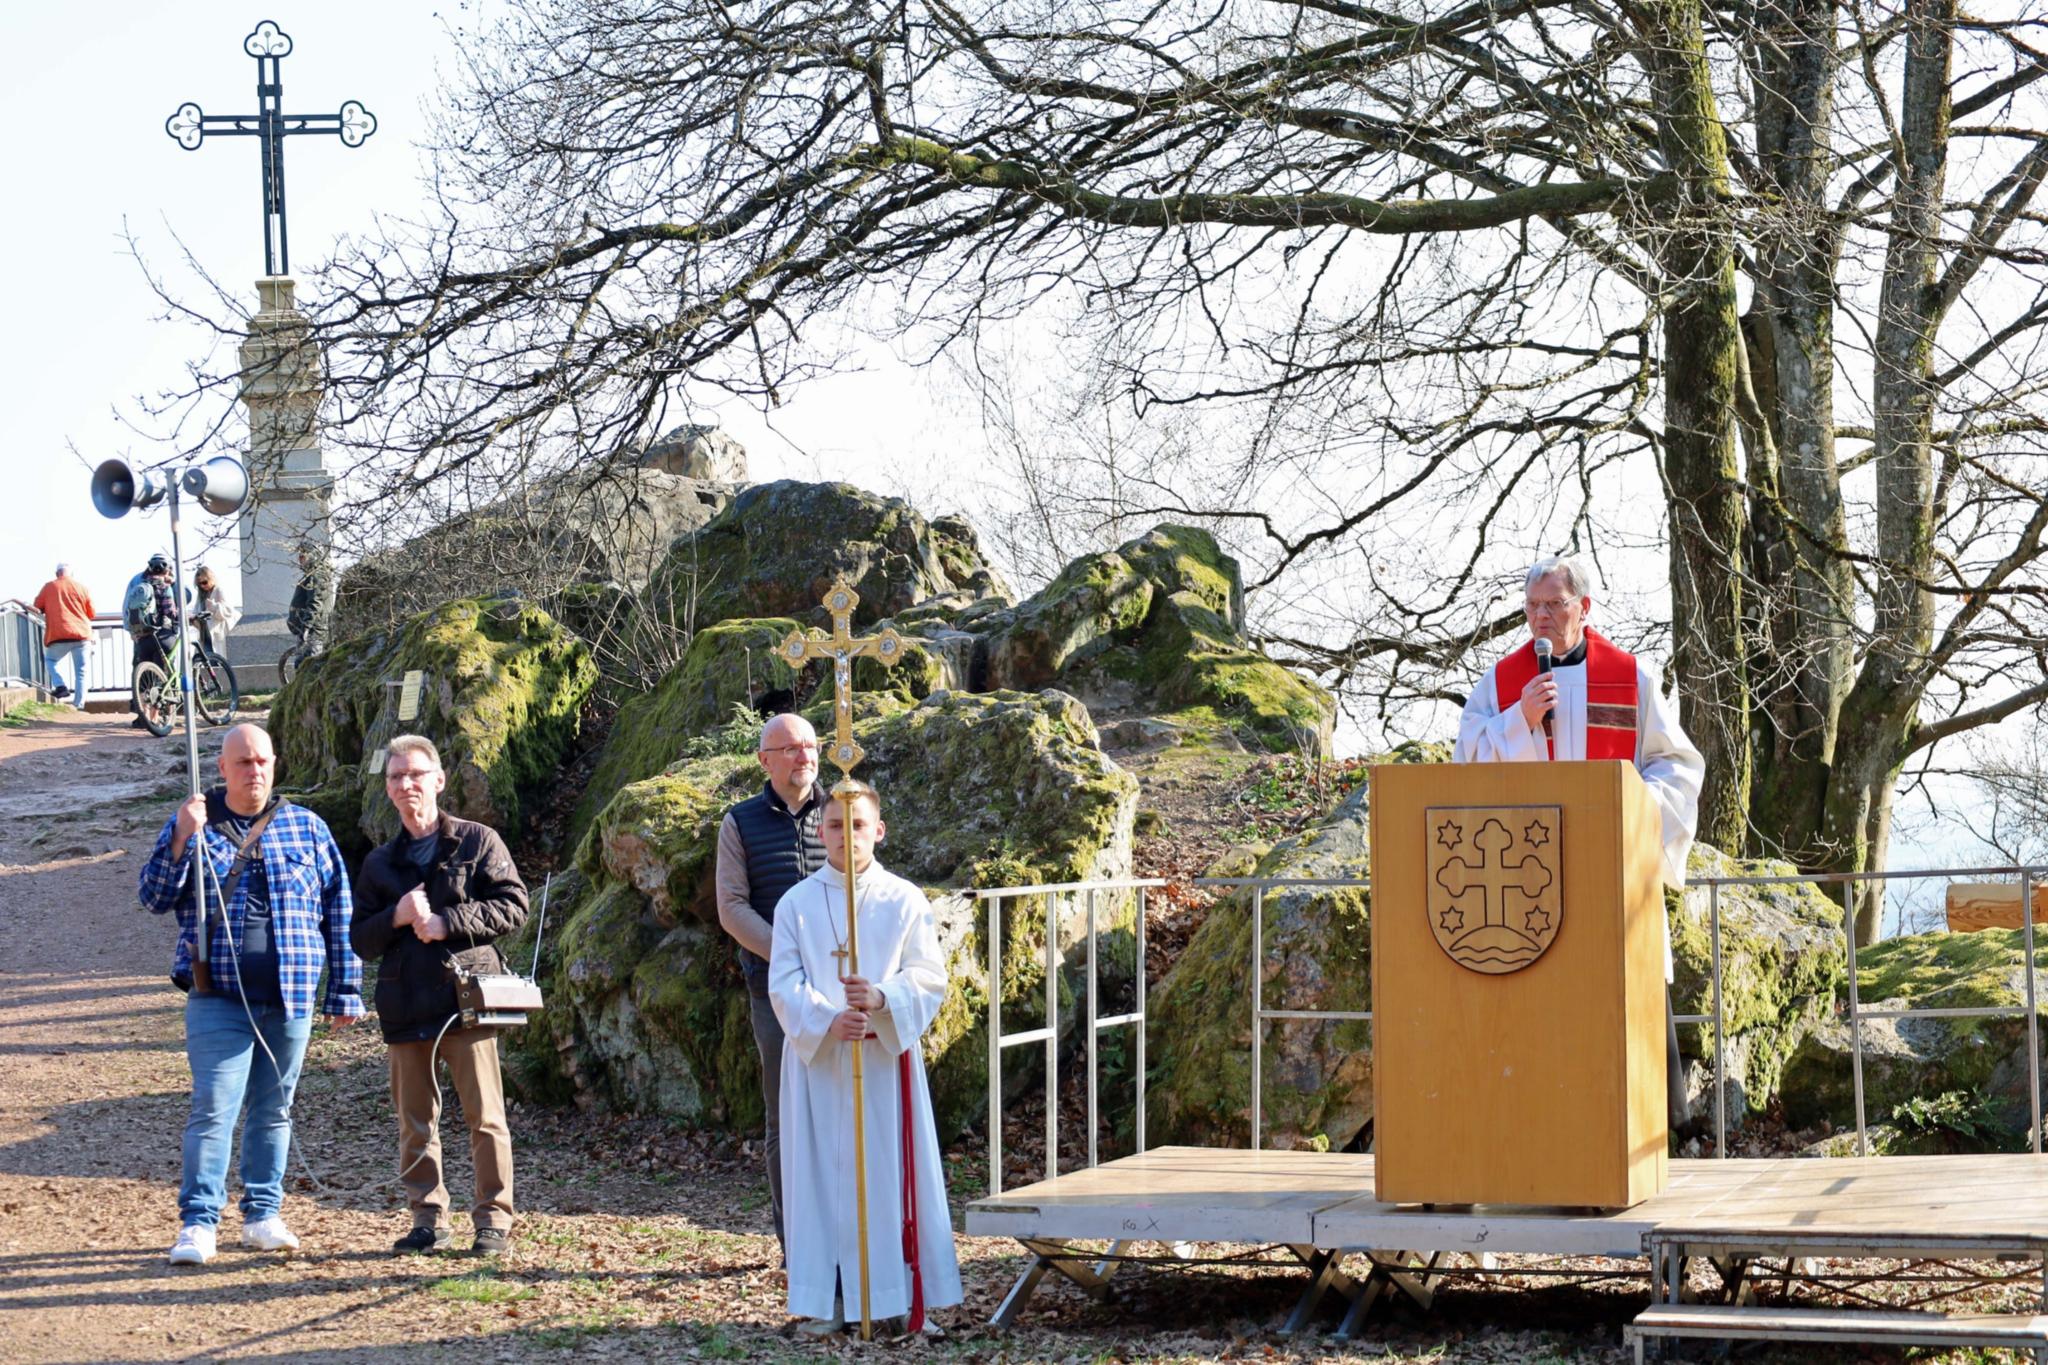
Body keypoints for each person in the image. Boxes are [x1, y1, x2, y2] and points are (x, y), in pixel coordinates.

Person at [1454, 553, 1706, 1127]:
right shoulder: (1501, 684)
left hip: (1608, 872)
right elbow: (1465, 762)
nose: (1541, 617)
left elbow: (1677, 765)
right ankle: (1544, 1126)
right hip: (1525, 879)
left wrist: (1636, 809)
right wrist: (1518, 720)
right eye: (1533, 606)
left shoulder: (1631, 676)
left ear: (1584, 608)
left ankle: (1646, 1128)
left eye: (1554, 604)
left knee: (1619, 995)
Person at [138, 724, 364, 1266]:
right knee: (214, 1110)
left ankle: (263, 1215)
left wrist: (345, 990)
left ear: (275, 763)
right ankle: (199, 1224)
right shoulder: (194, 823)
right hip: (217, 998)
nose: (254, 771)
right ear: (222, 768)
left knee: (275, 1110)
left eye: (261, 761)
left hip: (289, 998)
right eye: (242, 762)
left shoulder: (307, 828)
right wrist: (179, 839)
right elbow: (152, 896)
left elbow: (340, 912)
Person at [768, 783, 962, 1336]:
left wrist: (881, 1001)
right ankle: (829, 1298)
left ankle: (894, 1296)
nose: (845, 835)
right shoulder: (795, 905)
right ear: (819, 831)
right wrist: (829, 1020)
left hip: (881, 1066)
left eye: (857, 825)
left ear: (878, 830)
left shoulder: (905, 899)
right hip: (820, 1068)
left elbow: (928, 976)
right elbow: (783, 983)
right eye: (834, 825)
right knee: (821, 1179)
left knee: (887, 1177)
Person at [352, 734, 529, 1257]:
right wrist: (397, 918)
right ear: (387, 789)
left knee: (486, 1119)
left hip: (467, 1004)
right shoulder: (379, 863)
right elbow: (360, 938)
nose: (406, 784)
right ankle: (427, 1218)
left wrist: (446, 921)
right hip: (404, 1005)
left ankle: (494, 1220)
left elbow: (514, 906)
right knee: (414, 1122)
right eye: (396, 777)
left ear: (439, 780)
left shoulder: (478, 842)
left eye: (415, 774)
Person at [713, 711, 827, 1253]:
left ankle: (846, 1233)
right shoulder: (739, 823)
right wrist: (789, 956)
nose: (803, 756)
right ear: (765, 759)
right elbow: (732, 908)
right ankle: (795, 1242)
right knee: (786, 1115)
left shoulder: (841, 812)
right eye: (789, 748)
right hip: (774, 992)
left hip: (842, 991)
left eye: (809, 746)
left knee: (846, 1106)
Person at [125, 554, 180, 729]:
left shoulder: (138, 584)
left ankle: (143, 716)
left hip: (142, 637)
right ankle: (158, 719)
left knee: (144, 678)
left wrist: (132, 631)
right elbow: (170, 612)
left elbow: (128, 608)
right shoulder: (165, 586)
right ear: (167, 569)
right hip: (163, 636)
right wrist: (187, 617)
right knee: (163, 676)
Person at [32, 564, 93, 704]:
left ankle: (60, 685)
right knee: (81, 672)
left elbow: (37, 606)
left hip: (58, 635)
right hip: (82, 634)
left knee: (50, 661)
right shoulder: (82, 588)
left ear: (56, 573)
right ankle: (79, 705)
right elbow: (91, 613)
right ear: (72, 574)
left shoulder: (49, 587)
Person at [285, 547, 334, 657]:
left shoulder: (315, 576)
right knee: (303, 665)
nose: (300, 560)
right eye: (299, 557)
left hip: (313, 632)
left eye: (303, 557)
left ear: (312, 557)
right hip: (310, 630)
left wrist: (306, 628)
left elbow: (315, 604)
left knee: (308, 665)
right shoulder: (314, 575)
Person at [192, 565, 238, 655]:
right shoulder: (201, 596)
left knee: (217, 657)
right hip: (205, 633)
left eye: (204, 582)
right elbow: (196, 612)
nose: (202, 586)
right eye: (199, 584)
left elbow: (228, 611)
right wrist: (193, 618)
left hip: (218, 633)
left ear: (211, 578)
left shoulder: (219, 590)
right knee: (205, 659)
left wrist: (214, 607)